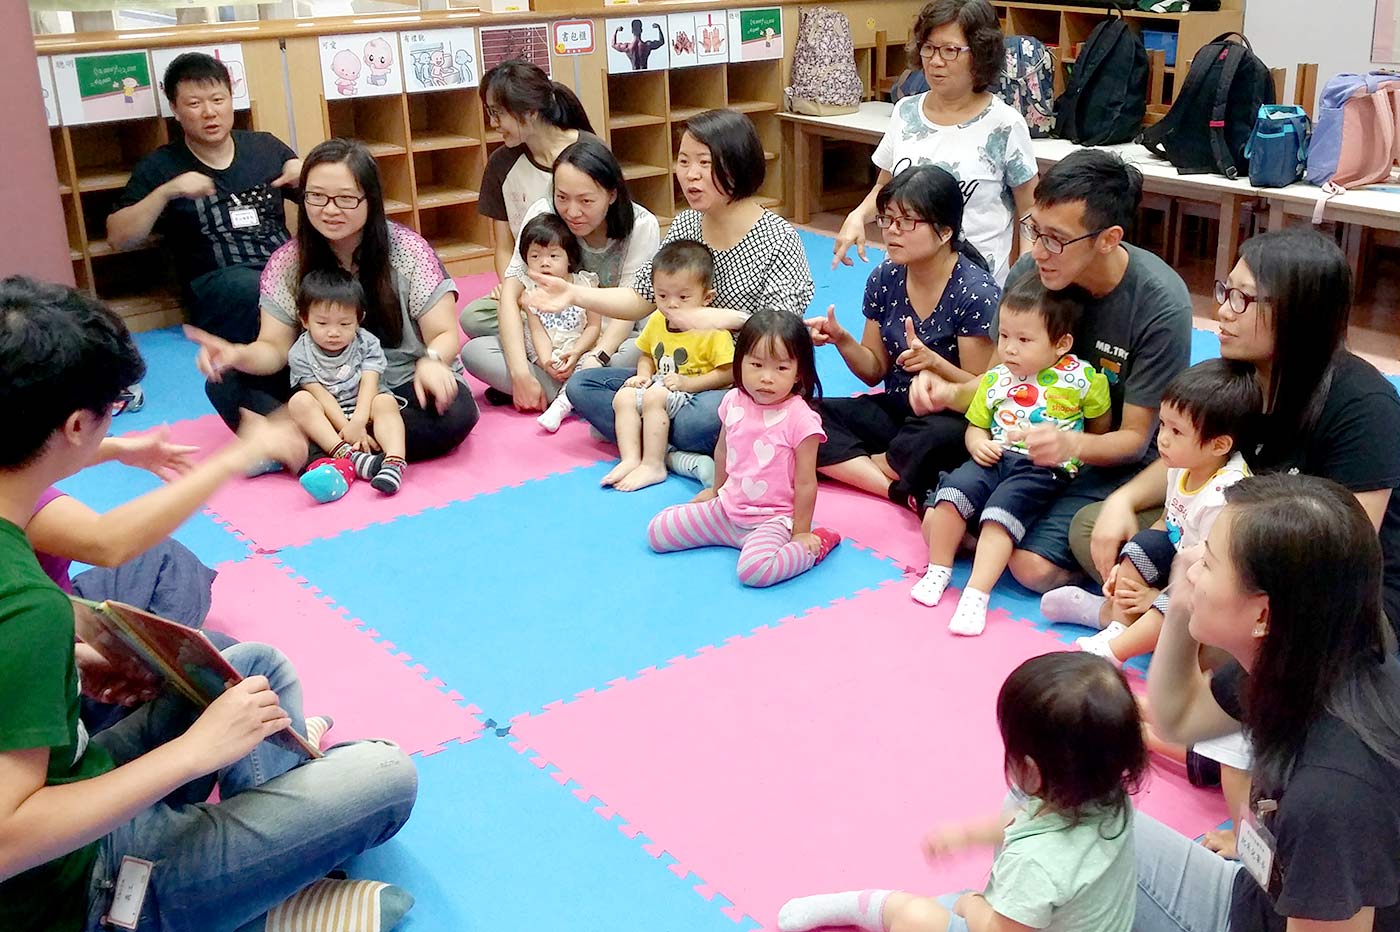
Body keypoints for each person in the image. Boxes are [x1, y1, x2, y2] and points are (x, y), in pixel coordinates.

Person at [0, 276, 418, 932]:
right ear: (76, 424)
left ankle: (275, 855)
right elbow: (7, 844)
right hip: (80, 882)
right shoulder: (27, 604)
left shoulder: (23, 584)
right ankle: (281, 890)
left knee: (251, 668)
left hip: (79, 768)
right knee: (387, 775)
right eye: (113, 409)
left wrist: (65, 667)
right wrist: (193, 755)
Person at [1089, 228, 1400, 636]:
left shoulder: (1364, 407)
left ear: (1299, 312)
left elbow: (1340, 556)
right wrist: (1123, 500)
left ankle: (1155, 619)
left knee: (1237, 622)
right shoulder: (1240, 376)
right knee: (1092, 528)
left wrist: (1204, 567)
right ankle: (1158, 616)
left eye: (1243, 299)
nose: (1223, 312)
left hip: (1324, 584)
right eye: (1226, 292)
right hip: (1230, 541)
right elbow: (1192, 453)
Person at [910, 150, 1192, 593]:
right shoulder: (1030, 273)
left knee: (1031, 569)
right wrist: (946, 391)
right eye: (1034, 230)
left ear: (1108, 238)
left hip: (1105, 457)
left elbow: (1137, 440)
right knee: (935, 525)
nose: (1038, 251)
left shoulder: (1159, 304)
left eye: (1056, 239)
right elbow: (996, 382)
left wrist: (1069, 443)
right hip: (1019, 446)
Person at [1133, 474, 1400, 932]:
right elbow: (1175, 719)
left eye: (1209, 562)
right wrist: (1180, 604)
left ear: (1263, 615)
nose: (1191, 564)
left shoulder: (1332, 795)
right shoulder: (1310, 659)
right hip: (1256, 896)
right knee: (1040, 813)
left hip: (1264, 915)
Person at [779, 651, 1146, 932]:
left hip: (1007, 922)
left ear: (1032, 769)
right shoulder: (1106, 793)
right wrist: (967, 834)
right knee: (1018, 808)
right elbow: (1023, 820)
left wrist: (972, 905)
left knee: (916, 915)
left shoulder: (1036, 864)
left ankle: (860, 906)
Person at [530, 109, 815, 468]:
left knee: (707, 417)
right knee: (582, 386)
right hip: (672, 376)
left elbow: (781, 330)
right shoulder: (685, 224)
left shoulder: (779, 238)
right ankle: (672, 448)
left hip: (738, 383)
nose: (690, 175)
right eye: (683, 161)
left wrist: (711, 318)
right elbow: (640, 297)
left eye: (704, 163)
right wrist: (574, 294)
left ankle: (651, 437)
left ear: (738, 164)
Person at [186, 138, 479, 467]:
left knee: (457, 413)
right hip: (320, 389)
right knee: (225, 382)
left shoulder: (408, 251)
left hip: (396, 387)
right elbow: (274, 348)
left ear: (371, 199)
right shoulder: (288, 263)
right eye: (317, 197)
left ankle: (308, 448)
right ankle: (362, 450)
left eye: (345, 199)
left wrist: (433, 361)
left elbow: (443, 332)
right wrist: (236, 354)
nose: (329, 210)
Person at [913, 276, 1111, 636]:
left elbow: (1099, 430)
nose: (1010, 349)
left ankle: (976, 594)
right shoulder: (995, 379)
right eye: (1004, 336)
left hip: (1041, 467)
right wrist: (976, 443)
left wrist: (1073, 456)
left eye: (1024, 340)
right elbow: (977, 424)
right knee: (951, 496)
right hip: (995, 456)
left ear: (1061, 344)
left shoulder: (1082, 379)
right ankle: (937, 570)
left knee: (999, 515)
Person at [809, 164, 998, 505]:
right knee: (806, 418)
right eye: (887, 220)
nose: (892, 231)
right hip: (897, 409)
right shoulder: (886, 277)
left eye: (906, 222)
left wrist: (935, 364)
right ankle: (897, 489)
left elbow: (984, 390)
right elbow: (873, 372)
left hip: (949, 418)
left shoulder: (975, 292)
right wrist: (841, 339)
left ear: (944, 232)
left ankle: (869, 464)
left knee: (931, 441)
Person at [1049, 359, 1259, 664]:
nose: (1162, 437)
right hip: (1183, 564)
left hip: (1211, 582)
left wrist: (1156, 598)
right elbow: (1165, 524)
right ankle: (1116, 623)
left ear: (1218, 445)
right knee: (1142, 545)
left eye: (1176, 431)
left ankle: (1113, 652)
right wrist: (1126, 565)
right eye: (1163, 424)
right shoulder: (1182, 464)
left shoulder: (1223, 498)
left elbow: (1211, 575)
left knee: (1181, 600)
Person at [832, 0, 1037, 285]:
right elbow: (884, 186)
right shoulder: (905, 112)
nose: (936, 60)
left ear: (979, 54)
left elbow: (1029, 208)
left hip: (977, 286)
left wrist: (1025, 272)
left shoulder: (1005, 124)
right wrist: (858, 216)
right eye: (928, 47)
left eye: (950, 50)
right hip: (905, 277)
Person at [108, 53, 301, 344]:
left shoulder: (265, 147)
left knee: (333, 282)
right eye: (194, 104)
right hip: (220, 283)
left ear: (231, 98)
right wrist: (167, 191)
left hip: (284, 266)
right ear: (175, 108)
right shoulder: (160, 166)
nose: (209, 112)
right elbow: (118, 236)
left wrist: (308, 174)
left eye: (217, 100)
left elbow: (325, 200)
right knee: (258, 291)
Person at [462, 137, 660, 413]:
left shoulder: (640, 226)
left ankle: (560, 388)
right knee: (474, 339)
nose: (572, 212)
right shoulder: (544, 212)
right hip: (547, 325)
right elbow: (511, 292)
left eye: (586, 201)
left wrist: (597, 357)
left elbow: (631, 306)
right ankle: (578, 391)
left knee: (644, 349)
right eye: (562, 197)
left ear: (612, 194)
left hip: (608, 333)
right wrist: (519, 373)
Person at [648, 310, 842, 587]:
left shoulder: (801, 420)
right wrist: (716, 491)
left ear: (799, 373)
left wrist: (801, 532)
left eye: (781, 368)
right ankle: (730, 532)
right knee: (658, 532)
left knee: (755, 572)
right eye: (756, 365)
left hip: (772, 521)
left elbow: (806, 482)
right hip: (727, 510)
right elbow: (723, 451)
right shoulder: (733, 401)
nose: (767, 378)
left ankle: (817, 544)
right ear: (740, 364)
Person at [460, 61, 597, 338]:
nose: (493, 123)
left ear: (530, 111)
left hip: (583, 287)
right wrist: (511, 288)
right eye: (490, 113)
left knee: (628, 315)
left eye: (498, 113)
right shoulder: (501, 164)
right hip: (531, 286)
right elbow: (504, 247)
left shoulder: (588, 152)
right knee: (473, 317)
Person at [603, 240, 734, 491]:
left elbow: (727, 373)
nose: (671, 304)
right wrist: (642, 375)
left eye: (683, 297)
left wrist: (689, 383)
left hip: (693, 394)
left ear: (706, 298)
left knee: (653, 397)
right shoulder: (656, 321)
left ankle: (654, 464)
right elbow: (647, 355)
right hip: (662, 386)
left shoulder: (713, 330)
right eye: (662, 296)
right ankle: (631, 458)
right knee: (623, 397)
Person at [285, 268, 408, 496]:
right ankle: (348, 455)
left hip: (365, 410)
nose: (333, 333)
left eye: (344, 324)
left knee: (385, 402)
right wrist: (347, 428)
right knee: (299, 401)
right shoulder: (299, 353)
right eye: (322, 323)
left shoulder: (366, 343)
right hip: (332, 422)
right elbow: (319, 394)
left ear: (359, 320)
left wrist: (359, 420)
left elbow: (369, 384)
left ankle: (394, 462)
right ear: (305, 319)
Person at [513, 215, 603, 433]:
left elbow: (594, 327)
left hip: (580, 347)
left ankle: (562, 404)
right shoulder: (530, 294)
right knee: (522, 336)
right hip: (549, 353)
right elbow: (537, 332)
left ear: (569, 258)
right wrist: (546, 361)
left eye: (553, 255)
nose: (545, 262)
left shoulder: (585, 284)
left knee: (591, 362)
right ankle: (568, 392)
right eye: (535, 256)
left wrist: (576, 351)